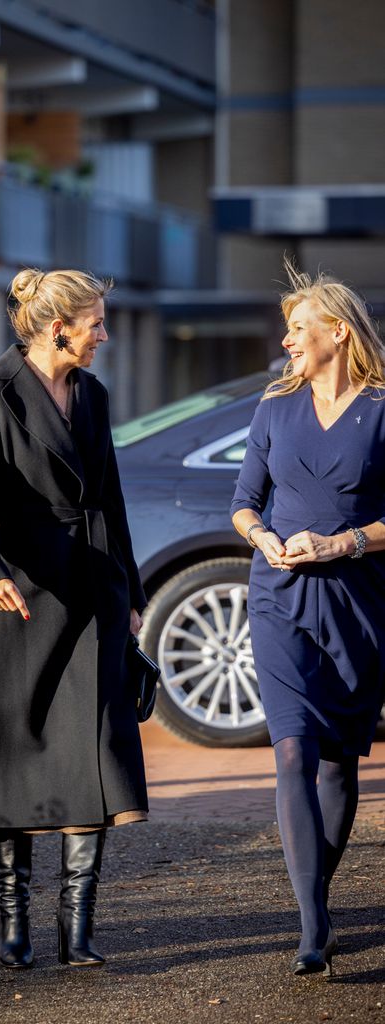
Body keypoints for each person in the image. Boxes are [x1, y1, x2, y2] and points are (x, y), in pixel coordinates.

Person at [0, 268, 148, 969]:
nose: (104, 334)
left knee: (92, 750)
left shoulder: (93, 394)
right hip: (21, 597)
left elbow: (110, 498)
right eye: (96, 323)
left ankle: (76, 930)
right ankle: (14, 927)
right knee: (18, 755)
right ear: (59, 328)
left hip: (92, 591)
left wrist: (133, 591)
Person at [231, 263, 385, 977]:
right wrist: (264, 539)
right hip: (279, 596)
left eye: (299, 328)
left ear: (339, 333)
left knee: (338, 760)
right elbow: (243, 503)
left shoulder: (381, 408)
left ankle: (316, 899)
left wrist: (342, 543)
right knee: (291, 748)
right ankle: (313, 924)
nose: (288, 340)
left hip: (360, 601)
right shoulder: (274, 406)